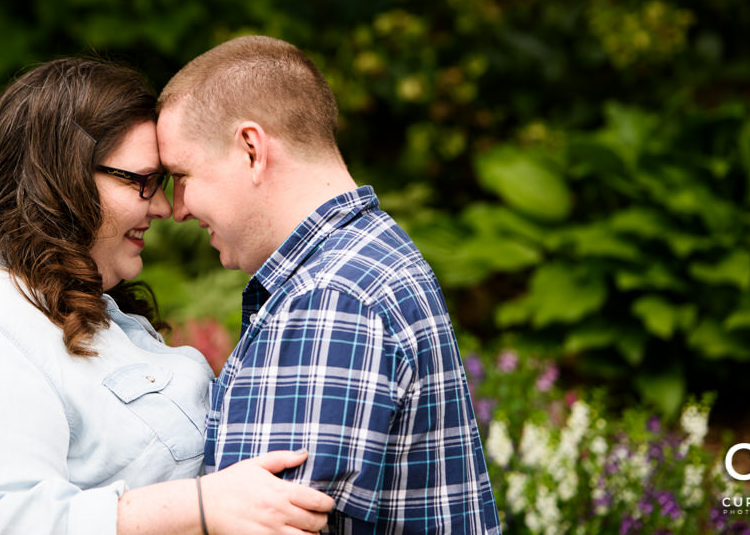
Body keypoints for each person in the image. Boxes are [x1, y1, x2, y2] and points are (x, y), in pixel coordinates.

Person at [0, 58, 334, 534]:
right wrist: (199, 507)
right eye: (143, 182)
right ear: (58, 178)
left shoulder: (67, 304)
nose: (163, 206)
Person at [155, 35, 502, 533]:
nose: (177, 207)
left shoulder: (329, 297)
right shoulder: (369, 258)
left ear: (252, 149)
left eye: (181, 175)